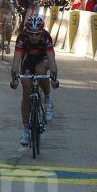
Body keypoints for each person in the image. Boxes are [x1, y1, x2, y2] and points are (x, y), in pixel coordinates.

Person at [10, 15, 59, 146]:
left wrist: (54, 78)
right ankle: (26, 130)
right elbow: (16, 61)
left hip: (43, 59)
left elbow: (52, 60)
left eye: (37, 34)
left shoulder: (46, 37)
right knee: (26, 92)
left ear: (41, 32)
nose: (34, 37)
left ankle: (47, 99)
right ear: (27, 32)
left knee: (40, 71)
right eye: (31, 34)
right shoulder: (22, 37)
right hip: (28, 61)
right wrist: (14, 78)